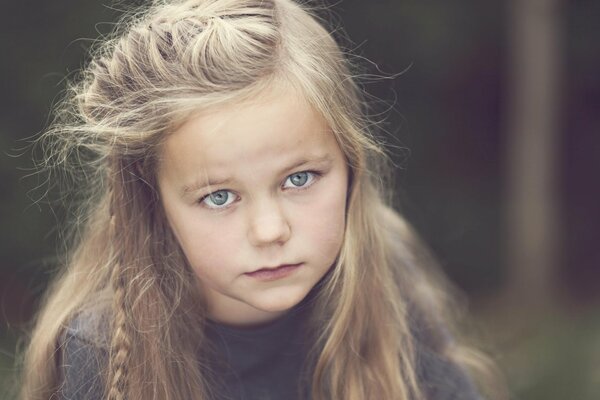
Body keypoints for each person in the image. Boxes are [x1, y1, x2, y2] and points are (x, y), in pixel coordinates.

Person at [20, 0, 502, 399]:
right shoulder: (104, 350)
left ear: (352, 164)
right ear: (153, 201)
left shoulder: (384, 275)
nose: (271, 231)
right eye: (220, 196)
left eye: (299, 179)